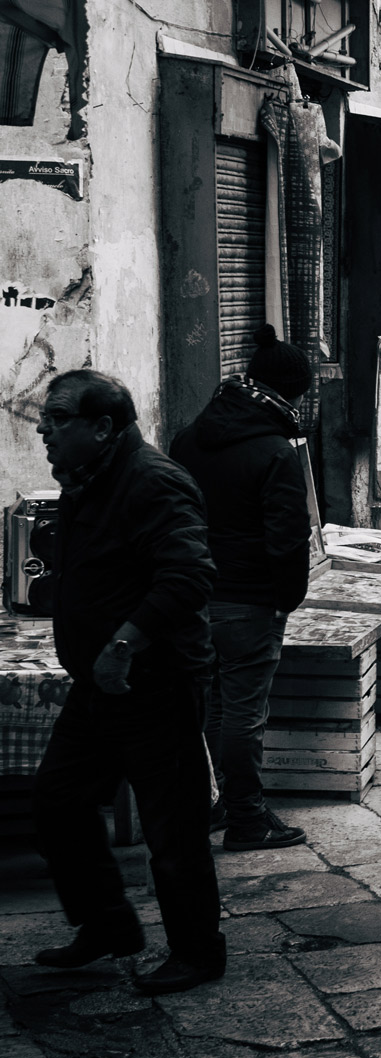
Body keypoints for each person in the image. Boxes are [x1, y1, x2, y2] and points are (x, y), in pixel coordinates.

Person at [31, 370, 224, 994]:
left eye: (58, 419)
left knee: (172, 826)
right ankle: (108, 924)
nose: (44, 430)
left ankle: (198, 952)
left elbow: (189, 578)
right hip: (99, 685)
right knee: (58, 800)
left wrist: (123, 644)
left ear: (102, 426)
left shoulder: (154, 482)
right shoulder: (88, 480)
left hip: (155, 683)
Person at [169, 325, 314, 851]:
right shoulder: (275, 450)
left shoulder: (188, 437)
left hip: (194, 594)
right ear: (292, 390)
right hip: (249, 599)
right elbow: (288, 536)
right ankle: (247, 818)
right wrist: (287, 596)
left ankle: (225, 803)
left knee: (215, 707)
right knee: (244, 713)